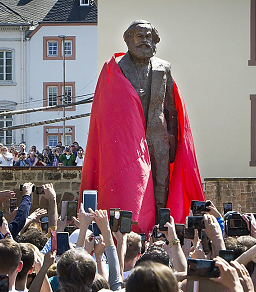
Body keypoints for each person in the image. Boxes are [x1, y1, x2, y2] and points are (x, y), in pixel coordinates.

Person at [80, 20, 204, 233]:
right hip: (129, 140)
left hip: (158, 136)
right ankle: (136, 228)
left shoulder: (163, 67)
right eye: (140, 36)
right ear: (128, 39)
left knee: (161, 184)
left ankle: (159, 228)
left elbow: (170, 108)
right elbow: (106, 112)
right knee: (133, 185)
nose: (145, 41)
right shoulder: (117, 69)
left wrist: (173, 139)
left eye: (149, 37)